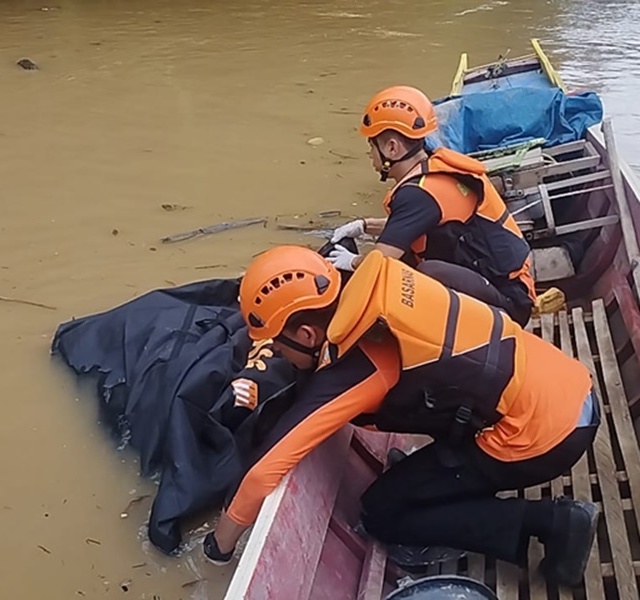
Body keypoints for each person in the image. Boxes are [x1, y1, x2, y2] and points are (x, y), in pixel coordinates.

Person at [202, 245, 599, 588]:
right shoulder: (387, 283)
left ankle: (550, 522)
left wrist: (217, 549)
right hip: (569, 385)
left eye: (277, 344)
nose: (277, 356)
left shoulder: (363, 362)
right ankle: (453, 478)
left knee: (383, 513)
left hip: (546, 437)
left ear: (307, 334)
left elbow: (266, 469)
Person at [325, 86, 536, 326]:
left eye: (371, 148)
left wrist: (351, 262)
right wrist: (364, 226)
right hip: (503, 284)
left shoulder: (418, 195)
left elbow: (379, 262)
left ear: (392, 148)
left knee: (415, 273)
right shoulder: (431, 172)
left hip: (509, 303)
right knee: (406, 259)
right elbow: (410, 227)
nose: (370, 157)